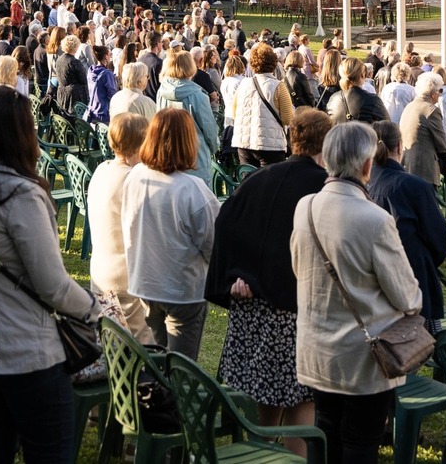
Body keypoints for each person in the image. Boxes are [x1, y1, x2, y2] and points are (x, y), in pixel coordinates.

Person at [0, 87, 97, 464]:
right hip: (20, 345)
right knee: (48, 450)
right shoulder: (19, 194)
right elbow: (53, 285)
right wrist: (94, 310)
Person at [292, 121, 423, 464]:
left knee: (329, 433)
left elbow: (297, 267)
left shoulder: (304, 207)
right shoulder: (374, 219)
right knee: (360, 444)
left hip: (318, 351)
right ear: (367, 166)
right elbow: (408, 297)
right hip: (363, 360)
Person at [211, 109, 333, 441]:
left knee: (266, 395)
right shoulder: (325, 188)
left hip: (255, 303)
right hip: (298, 310)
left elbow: (227, 226)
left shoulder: (258, 179)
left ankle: (262, 449)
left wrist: (238, 275)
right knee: (301, 400)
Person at [122, 107, 219, 357]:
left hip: (146, 283)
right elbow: (214, 246)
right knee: (180, 369)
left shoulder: (135, 177)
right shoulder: (192, 190)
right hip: (181, 291)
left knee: (160, 361)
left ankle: (162, 394)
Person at [367, 120, 446, 329]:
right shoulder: (415, 186)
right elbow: (438, 238)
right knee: (423, 343)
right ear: (399, 147)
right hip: (413, 276)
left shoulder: (364, 183)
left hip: (376, 277)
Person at [87, 113, 151, 336]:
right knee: (143, 350)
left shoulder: (101, 169)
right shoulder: (134, 179)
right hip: (125, 278)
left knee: (112, 347)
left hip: (100, 271)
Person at [156, 48, 220, 181]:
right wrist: (214, 148)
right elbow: (210, 130)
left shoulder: (161, 92)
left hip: (169, 153)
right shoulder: (198, 96)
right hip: (195, 156)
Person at [234, 41, 297, 167]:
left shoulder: (243, 84)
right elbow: (287, 119)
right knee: (270, 184)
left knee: (249, 184)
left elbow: (235, 112)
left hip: (244, 142)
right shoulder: (279, 86)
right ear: (274, 63)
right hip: (269, 144)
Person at [399, 76, 446, 185]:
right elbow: (441, 143)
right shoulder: (431, 110)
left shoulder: (409, 106)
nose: (440, 94)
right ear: (433, 93)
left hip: (406, 163)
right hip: (424, 168)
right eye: (440, 90)